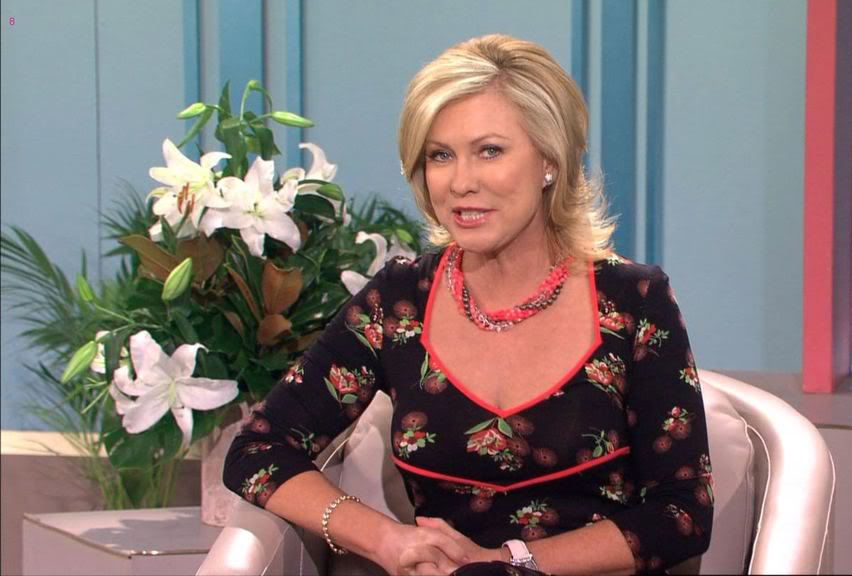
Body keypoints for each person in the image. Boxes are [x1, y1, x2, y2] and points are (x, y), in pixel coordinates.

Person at [223, 34, 713, 575]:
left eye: (490, 151)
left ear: (549, 160)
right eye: (440, 155)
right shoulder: (398, 302)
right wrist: (385, 539)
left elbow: (682, 513)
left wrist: (506, 563)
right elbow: (257, 450)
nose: (460, 183)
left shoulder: (634, 301)